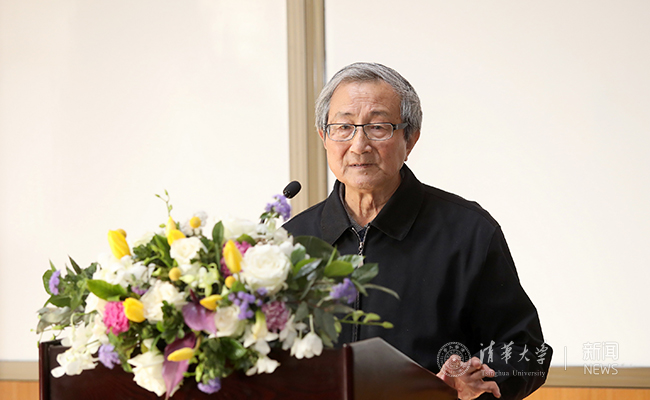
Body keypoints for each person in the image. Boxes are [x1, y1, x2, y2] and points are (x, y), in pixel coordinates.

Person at [283, 62, 551, 400]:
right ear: (324, 137)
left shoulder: (468, 233)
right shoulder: (291, 243)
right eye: (344, 127)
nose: (359, 144)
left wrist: (476, 380)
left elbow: (527, 351)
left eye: (378, 127)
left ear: (410, 139)